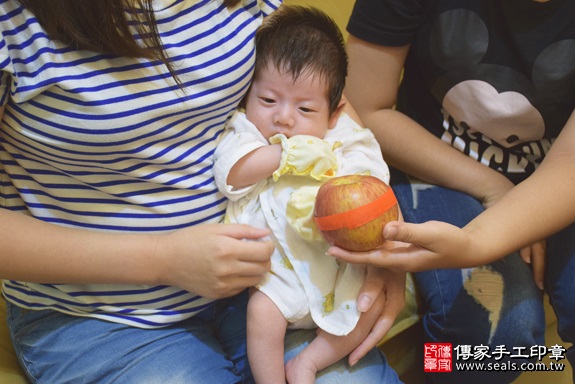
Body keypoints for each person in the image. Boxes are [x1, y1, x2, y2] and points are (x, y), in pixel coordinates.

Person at [0, 1, 403, 383]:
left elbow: (319, 95)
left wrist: (381, 234)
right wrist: (161, 260)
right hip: (99, 313)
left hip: (269, 275)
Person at [339, 0, 575, 382]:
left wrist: (493, 224)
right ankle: (436, 367)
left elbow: (568, 167)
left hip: (560, 174)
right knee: (504, 340)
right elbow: (364, 107)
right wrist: (493, 187)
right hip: (435, 166)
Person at [213, 6, 403, 383]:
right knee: (261, 315)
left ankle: (310, 362)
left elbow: (373, 176)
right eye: (268, 100)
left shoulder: (343, 136)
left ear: (335, 113)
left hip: (336, 265)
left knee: (368, 304)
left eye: (304, 108)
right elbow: (231, 174)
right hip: (275, 273)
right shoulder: (247, 133)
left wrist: (345, 172)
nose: (283, 118)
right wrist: (283, 155)